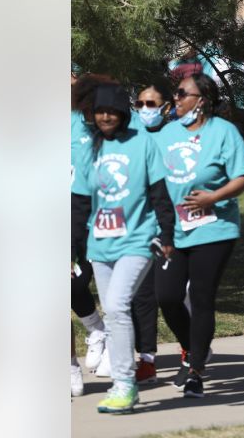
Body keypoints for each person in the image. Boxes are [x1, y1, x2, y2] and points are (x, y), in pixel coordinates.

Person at [73, 84, 176, 414]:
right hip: (100, 245)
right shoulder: (89, 147)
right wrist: (70, 247)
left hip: (138, 239)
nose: (105, 116)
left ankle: (125, 384)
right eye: (100, 111)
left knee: (117, 307)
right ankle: (122, 385)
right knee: (113, 313)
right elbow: (80, 202)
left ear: (123, 114)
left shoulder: (142, 142)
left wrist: (168, 235)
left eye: (112, 111)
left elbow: (160, 191)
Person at [154, 73, 244, 398]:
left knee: (201, 297)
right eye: (176, 93)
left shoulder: (224, 132)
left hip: (214, 227)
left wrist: (213, 197)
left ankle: (196, 370)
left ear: (202, 100)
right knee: (167, 296)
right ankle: (192, 349)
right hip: (172, 228)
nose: (177, 99)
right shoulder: (166, 133)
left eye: (183, 94)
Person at [128, 78, 177, 385]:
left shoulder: (175, 135)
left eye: (151, 104)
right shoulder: (129, 135)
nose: (144, 109)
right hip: (140, 225)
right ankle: (146, 358)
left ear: (167, 108)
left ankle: (190, 346)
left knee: (174, 296)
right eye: (140, 104)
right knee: (141, 296)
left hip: (176, 225)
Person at [71, 75, 112, 393]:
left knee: (96, 279)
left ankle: (111, 337)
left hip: (101, 214)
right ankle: (95, 328)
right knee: (70, 282)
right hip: (65, 214)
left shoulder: (103, 121)